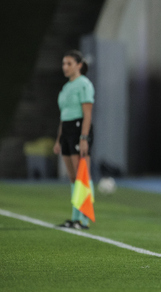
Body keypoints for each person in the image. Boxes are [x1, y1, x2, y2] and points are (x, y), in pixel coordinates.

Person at [53, 50, 95, 230]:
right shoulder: (66, 87)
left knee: (82, 175)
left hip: (79, 130)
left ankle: (84, 219)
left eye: (69, 63)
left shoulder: (84, 84)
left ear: (79, 65)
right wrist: (58, 139)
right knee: (72, 177)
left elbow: (87, 114)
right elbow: (64, 116)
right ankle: (74, 217)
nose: (65, 67)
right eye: (63, 64)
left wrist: (84, 138)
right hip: (67, 131)